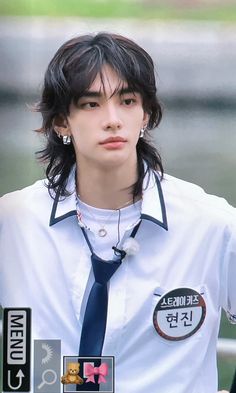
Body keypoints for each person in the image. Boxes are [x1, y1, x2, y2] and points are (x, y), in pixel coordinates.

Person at [0, 32, 234, 393]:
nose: (112, 120)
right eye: (91, 104)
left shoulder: (212, 225)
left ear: (146, 114)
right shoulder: (13, 223)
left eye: (127, 101)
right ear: (62, 121)